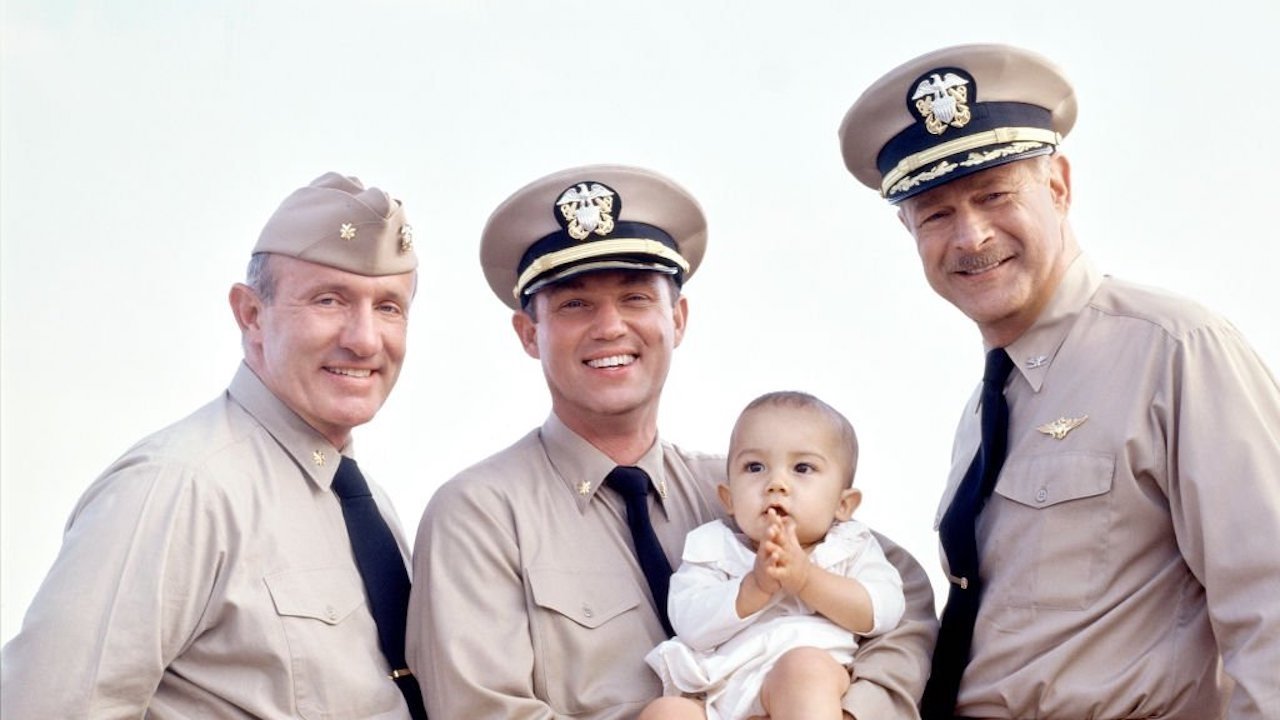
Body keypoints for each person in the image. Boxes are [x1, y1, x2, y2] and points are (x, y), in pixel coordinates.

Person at [837, 43, 1280, 720]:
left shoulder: (1175, 350)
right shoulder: (987, 412)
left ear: (1059, 185)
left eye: (994, 195)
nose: (971, 236)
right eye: (936, 214)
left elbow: (1269, 606)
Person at [405, 164, 938, 719]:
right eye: (574, 304)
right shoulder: (481, 515)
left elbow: (904, 602)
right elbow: (483, 711)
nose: (610, 326)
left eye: (636, 298)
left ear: (677, 319)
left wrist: (855, 711)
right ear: (528, 333)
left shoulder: (737, 485)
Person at [1, 172, 428, 719]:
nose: (365, 338)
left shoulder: (364, 504)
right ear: (251, 314)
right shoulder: (178, 488)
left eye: (389, 307)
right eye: (329, 300)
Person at [641, 391, 906, 720]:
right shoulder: (712, 545)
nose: (776, 483)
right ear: (729, 499)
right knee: (666, 712)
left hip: (806, 687)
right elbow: (690, 622)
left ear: (843, 504)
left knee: (803, 669)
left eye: (802, 468)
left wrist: (807, 579)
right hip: (721, 690)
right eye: (755, 467)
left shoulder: (851, 546)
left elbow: (884, 609)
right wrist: (755, 587)